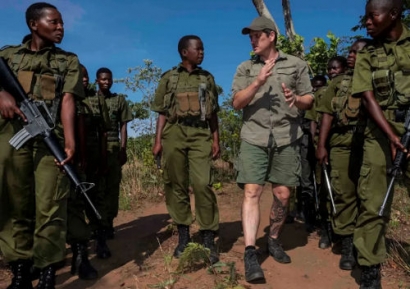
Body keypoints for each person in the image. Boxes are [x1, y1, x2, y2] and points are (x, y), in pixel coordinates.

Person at [0, 2, 83, 288]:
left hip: (50, 140)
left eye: (62, 23)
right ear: (34, 24)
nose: (61, 27)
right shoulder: (7, 55)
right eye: (54, 22)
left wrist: (69, 142)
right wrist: (1, 94)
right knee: (14, 205)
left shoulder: (68, 60)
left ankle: (47, 271)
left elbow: (69, 100)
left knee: (51, 205)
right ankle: (20, 270)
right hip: (12, 138)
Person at [231, 16, 314, 283]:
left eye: (257, 35)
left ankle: (274, 239)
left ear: (271, 36)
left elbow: (309, 99)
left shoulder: (296, 64)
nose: (252, 40)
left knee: (282, 194)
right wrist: (257, 82)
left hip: (286, 137)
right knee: (252, 191)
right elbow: (236, 103)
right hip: (254, 137)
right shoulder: (245, 67)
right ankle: (250, 252)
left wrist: (296, 99)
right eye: (250, 36)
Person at [351, 0, 408, 287]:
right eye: (366, 17)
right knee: (374, 202)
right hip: (380, 134)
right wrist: (392, 137)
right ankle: (370, 267)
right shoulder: (367, 54)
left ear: (394, 14)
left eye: (373, 16)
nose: (368, 22)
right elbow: (367, 96)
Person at [152, 35, 221, 264]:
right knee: (176, 183)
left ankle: (208, 235)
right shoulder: (169, 79)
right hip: (174, 133)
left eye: (202, 49)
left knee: (203, 184)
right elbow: (162, 112)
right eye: (197, 49)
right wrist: (158, 141)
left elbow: (213, 113)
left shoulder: (207, 78)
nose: (201, 52)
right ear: (184, 52)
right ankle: (183, 233)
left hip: (201, 133)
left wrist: (216, 139)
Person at [316, 39, 371, 272]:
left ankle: (366, 244)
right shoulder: (337, 83)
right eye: (350, 51)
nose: (350, 55)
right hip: (341, 143)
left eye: (356, 52)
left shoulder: (374, 80)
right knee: (344, 194)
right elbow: (327, 114)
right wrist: (321, 145)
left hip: (369, 142)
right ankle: (347, 245)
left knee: (368, 195)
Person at [305, 57, 348, 250]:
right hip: (325, 146)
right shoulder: (323, 93)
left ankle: (343, 233)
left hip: (345, 146)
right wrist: (317, 144)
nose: (332, 71)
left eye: (336, 68)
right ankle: (326, 228)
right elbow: (315, 119)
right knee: (323, 189)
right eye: (329, 68)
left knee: (343, 191)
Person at [96, 67, 133, 239]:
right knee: (96, 188)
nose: (106, 82)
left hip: (113, 147)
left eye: (109, 79)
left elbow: (124, 125)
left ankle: (109, 223)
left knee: (112, 188)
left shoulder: (119, 100)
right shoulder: (89, 100)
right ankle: (96, 224)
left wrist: (123, 148)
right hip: (93, 149)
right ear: (97, 80)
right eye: (103, 79)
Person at [293, 74, 327, 234]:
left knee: (322, 183)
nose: (317, 90)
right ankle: (308, 218)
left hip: (323, 143)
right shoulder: (304, 104)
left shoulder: (328, 101)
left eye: (320, 86)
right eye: (314, 87)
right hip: (305, 143)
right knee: (305, 181)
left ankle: (323, 216)